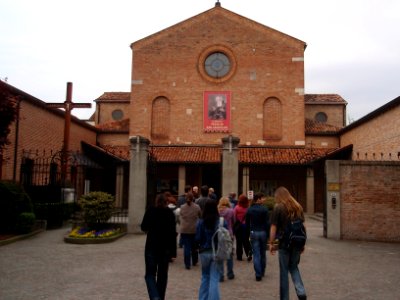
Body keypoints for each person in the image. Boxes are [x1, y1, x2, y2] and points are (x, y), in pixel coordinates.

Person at [269, 186, 307, 300]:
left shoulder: (278, 207)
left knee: (284, 271)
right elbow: (303, 226)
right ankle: (301, 293)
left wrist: (271, 242)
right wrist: (303, 243)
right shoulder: (298, 207)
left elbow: (273, 227)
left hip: (284, 243)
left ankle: (284, 298)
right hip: (297, 242)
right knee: (294, 267)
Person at [141, 193, 177, 300]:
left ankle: (155, 296)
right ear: (166, 202)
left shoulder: (151, 210)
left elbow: (144, 227)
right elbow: (172, 234)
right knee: (162, 276)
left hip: (152, 247)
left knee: (150, 274)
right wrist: (173, 252)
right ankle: (160, 297)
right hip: (165, 249)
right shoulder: (169, 213)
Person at [195, 200, 224, 300]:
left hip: (204, 251)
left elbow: (197, 238)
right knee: (214, 278)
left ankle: (202, 298)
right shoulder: (220, 221)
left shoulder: (201, 222)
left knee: (205, 277)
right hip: (217, 252)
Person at [245, 192, 270, 281]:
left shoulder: (250, 209)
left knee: (256, 254)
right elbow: (267, 223)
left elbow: (247, 223)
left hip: (254, 232)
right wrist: (269, 234)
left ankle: (258, 273)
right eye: (262, 198)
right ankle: (262, 270)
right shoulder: (265, 209)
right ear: (258, 199)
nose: (263, 200)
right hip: (263, 232)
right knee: (263, 253)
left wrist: (248, 233)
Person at [179, 192, 202, 270]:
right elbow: (200, 216)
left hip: (184, 229)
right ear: (193, 198)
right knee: (194, 246)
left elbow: (181, 215)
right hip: (194, 229)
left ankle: (187, 264)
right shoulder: (197, 207)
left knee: (187, 247)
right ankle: (195, 260)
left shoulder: (182, 207)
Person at [217, 197, 235, 281]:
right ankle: (230, 273)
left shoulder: (217, 211)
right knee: (229, 254)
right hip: (229, 233)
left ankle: (220, 275)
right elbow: (233, 221)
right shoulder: (231, 211)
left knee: (220, 254)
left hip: (219, 234)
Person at [233, 194, 252, 261]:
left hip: (239, 226)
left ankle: (239, 256)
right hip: (246, 226)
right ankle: (248, 254)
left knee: (239, 241)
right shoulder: (248, 208)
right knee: (246, 240)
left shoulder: (236, 208)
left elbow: (234, 217)